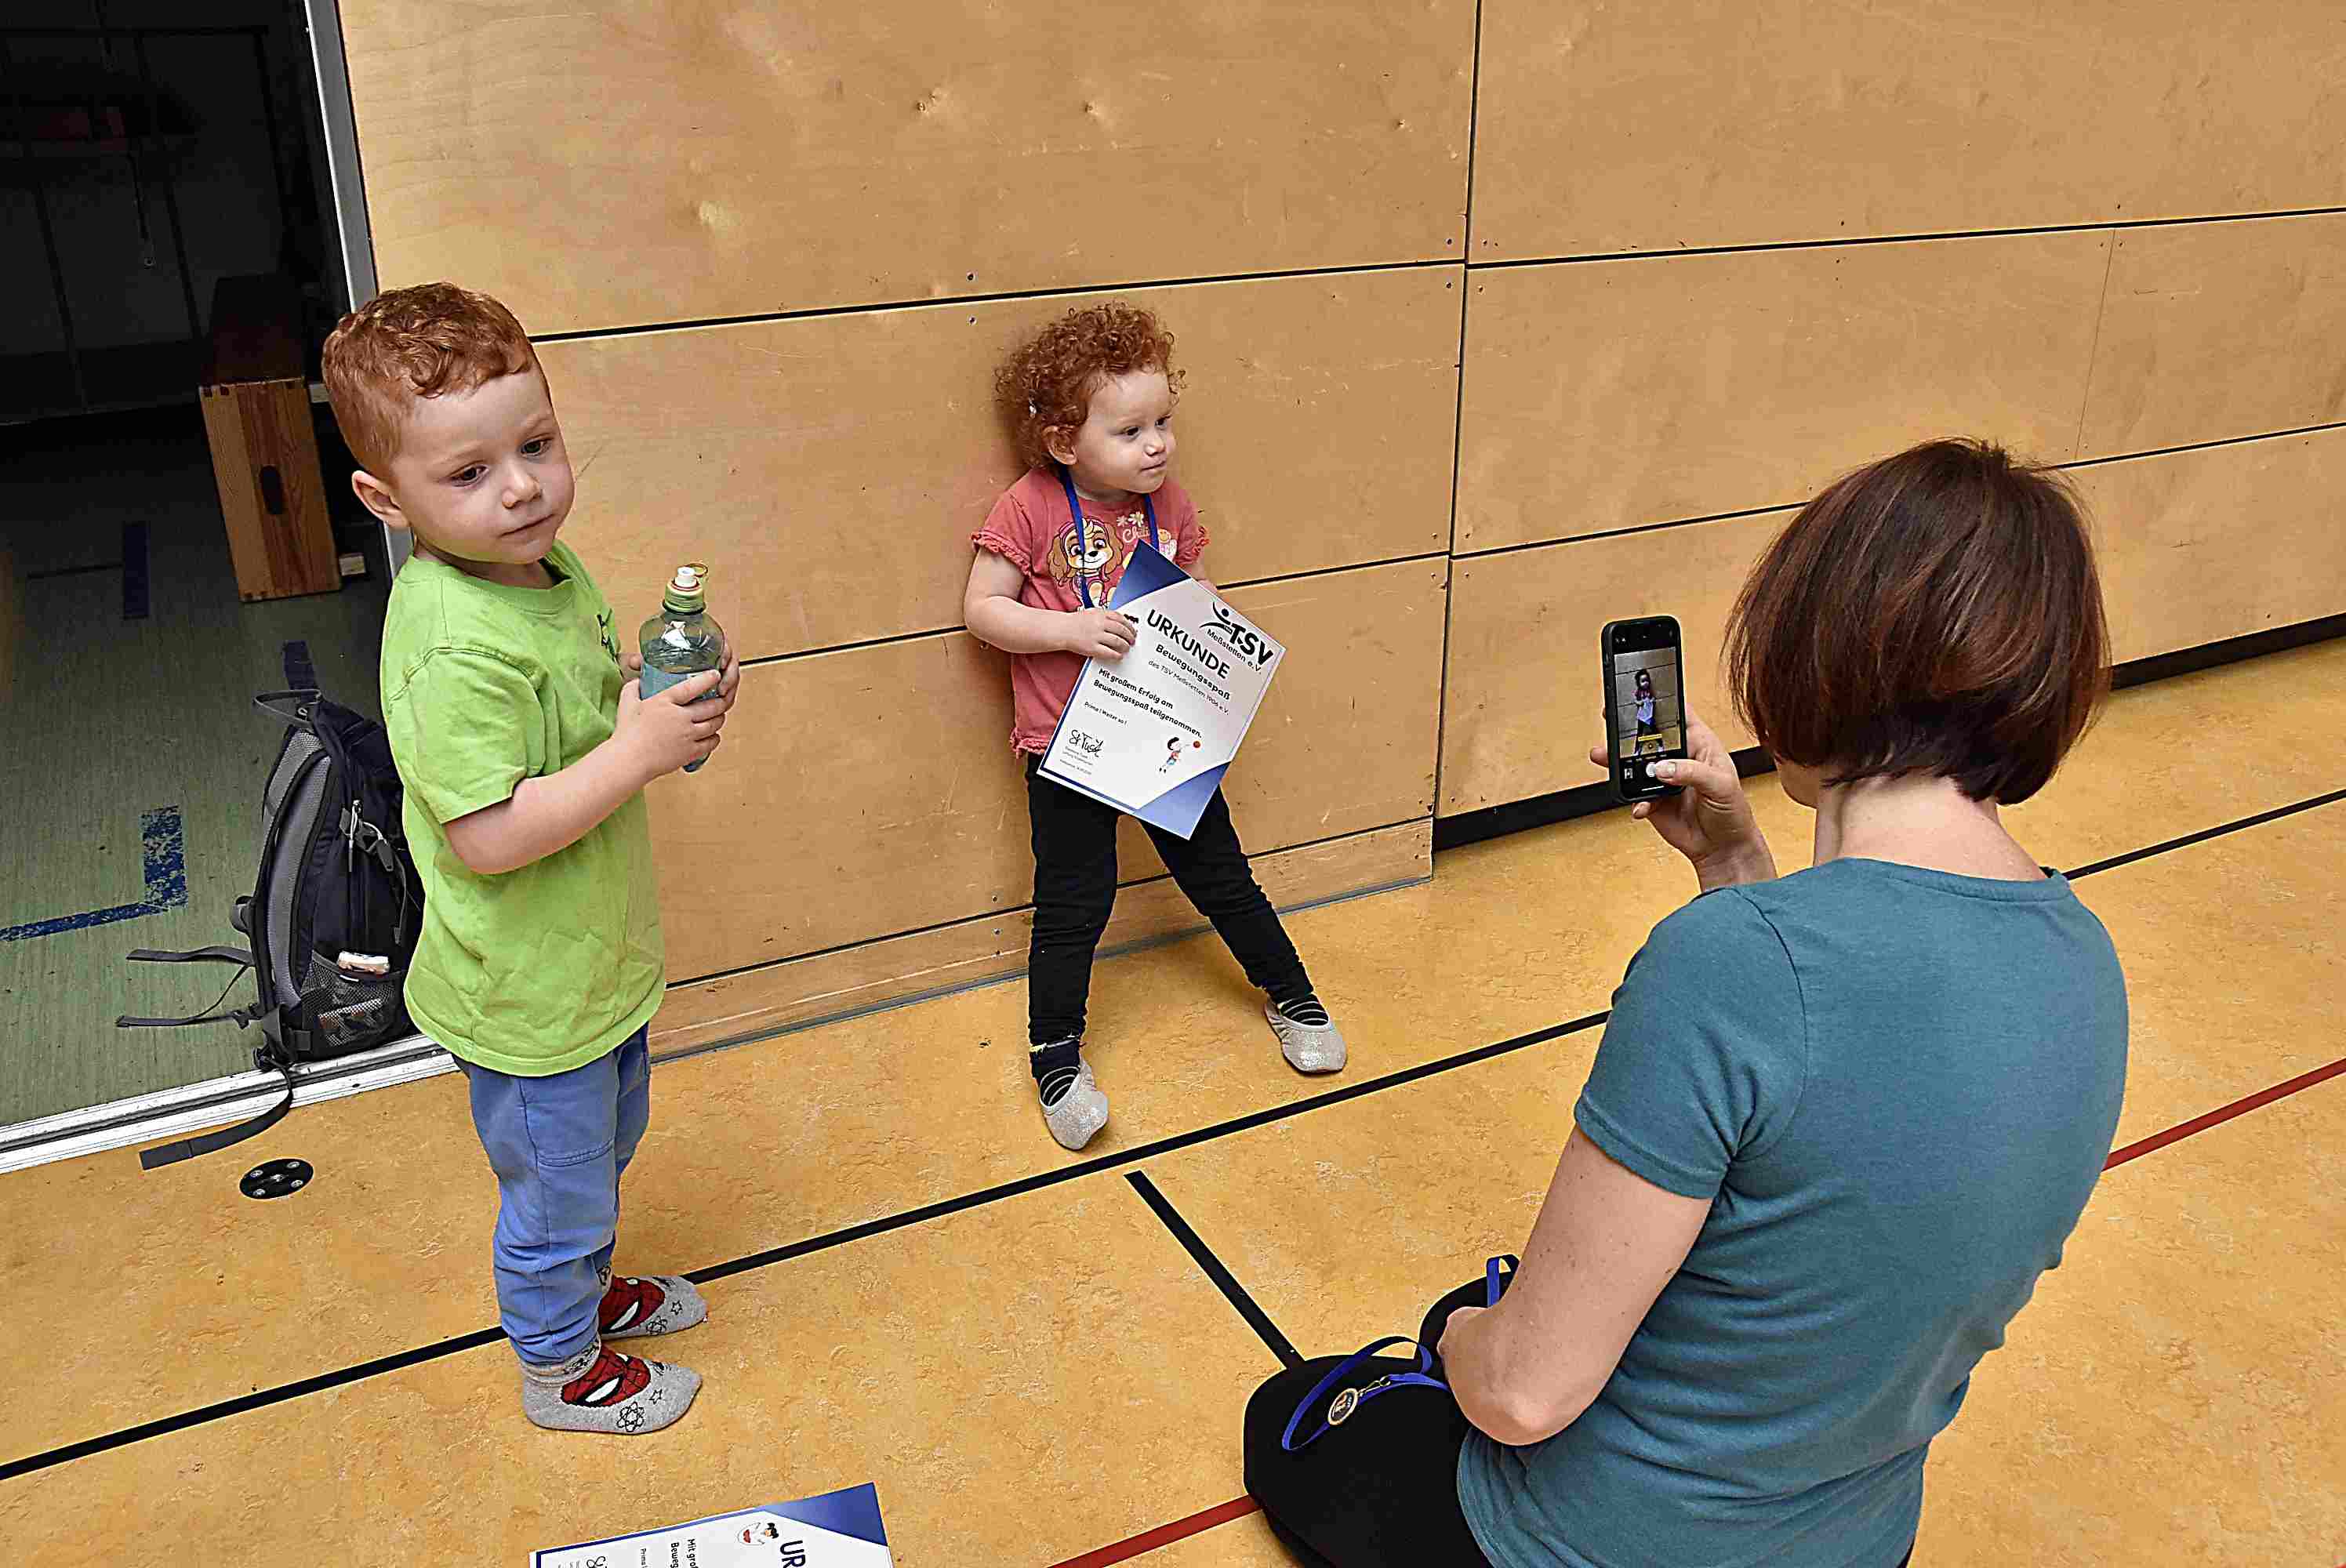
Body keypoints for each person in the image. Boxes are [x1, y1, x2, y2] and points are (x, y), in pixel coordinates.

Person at [1244, 439, 2128, 1566]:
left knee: (1305, 1404)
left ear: (1810, 659)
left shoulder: (1729, 967)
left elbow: (1522, 1396)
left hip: (1589, 1541)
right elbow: (1845, 1104)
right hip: (1855, 1540)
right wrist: (1734, 866)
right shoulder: (2083, 955)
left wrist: (1457, 1335)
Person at [323, 282, 741, 1436]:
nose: (520, 487)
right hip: (525, 990)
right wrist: (640, 750)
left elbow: (578, 711)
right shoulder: (451, 646)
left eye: (538, 446)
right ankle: (558, 1365)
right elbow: (488, 834)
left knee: (599, 1155)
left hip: (589, 960)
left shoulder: (547, 571)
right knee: (556, 1195)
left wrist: (655, 696)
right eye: (468, 473)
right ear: (385, 500)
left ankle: (583, 1289)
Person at [962, 301, 1347, 1152]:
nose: (1158, 445)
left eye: (1163, 422)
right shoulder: (1029, 506)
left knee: (1222, 876)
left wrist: (1219, 641)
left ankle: (1292, 995)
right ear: (1064, 441)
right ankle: (1055, 1055)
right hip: (1067, 748)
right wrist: (1066, 630)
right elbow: (982, 610)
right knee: (1074, 903)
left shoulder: (1166, 501)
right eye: (1130, 430)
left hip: (1165, 738)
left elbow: (1197, 594)